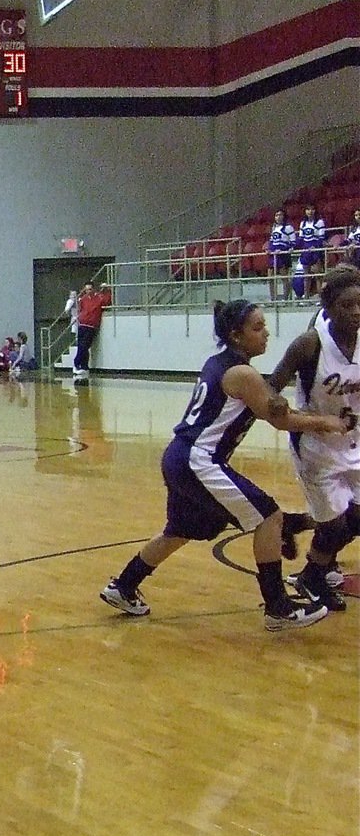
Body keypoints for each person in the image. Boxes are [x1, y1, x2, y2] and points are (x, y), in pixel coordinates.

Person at [99, 298, 348, 632]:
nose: (266, 333)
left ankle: (124, 586)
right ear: (236, 335)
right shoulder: (243, 374)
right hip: (199, 460)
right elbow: (281, 420)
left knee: (180, 531)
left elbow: (271, 400)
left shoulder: (218, 363)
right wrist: (326, 422)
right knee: (268, 517)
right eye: (257, 328)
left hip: (179, 456)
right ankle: (278, 608)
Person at [266, 263, 360, 612]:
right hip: (315, 446)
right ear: (328, 308)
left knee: (355, 519)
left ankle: (296, 525)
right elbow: (271, 387)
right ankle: (312, 577)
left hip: (354, 440)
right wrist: (277, 403)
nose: (356, 311)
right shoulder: (309, 344)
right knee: (334, 528)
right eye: (347, 305)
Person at [73, 281, 111, 382]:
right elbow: (80, 309)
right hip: (82, 324)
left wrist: (107, 290)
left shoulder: (98, 298)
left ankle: (77, 363)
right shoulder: (83, 299)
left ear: (93, 289)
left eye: (90, 289)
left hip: (91, 325)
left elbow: (106, 301)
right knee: (81, 345)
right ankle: (83, 366)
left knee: (85, 345)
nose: (88, 291)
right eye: (86, 290)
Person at [266, 208, 296, 301]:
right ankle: (273, 298)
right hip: (273, 255)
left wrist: (283, 249)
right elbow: (272, 241)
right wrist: (269, 249)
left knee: (284, 277)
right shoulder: (274, 227)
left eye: (280, 215)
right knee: (270, 277)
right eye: (276, 215)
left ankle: (285, 298)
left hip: (283, 254)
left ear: (284, 216)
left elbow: (293, 242)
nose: (278, 217)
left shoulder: (288, 227)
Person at [298, 204, 327, 297]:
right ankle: (306, 297)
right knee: (306, 276)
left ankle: (320, 297)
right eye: (308, 209)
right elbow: (301, 238)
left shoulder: (319, 222)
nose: (310, 211)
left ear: (315, 211)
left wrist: (315, 247)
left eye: (312, 209)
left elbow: (321, 237)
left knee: (318, 275)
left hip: (316, 250)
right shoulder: (303, 223)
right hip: (306, 250)